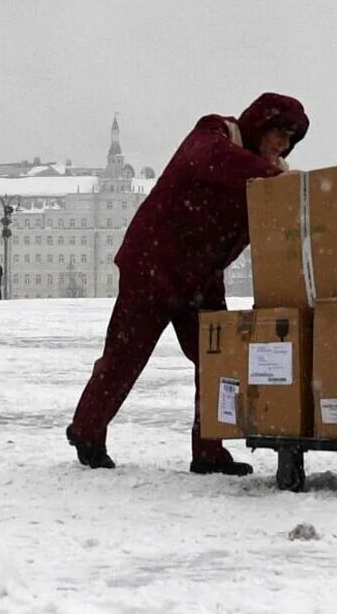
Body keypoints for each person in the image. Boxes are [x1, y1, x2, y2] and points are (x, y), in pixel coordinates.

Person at [67, 92, 309, 476]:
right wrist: (275, 177)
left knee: (217, 362)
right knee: (125, 355)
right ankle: (87, 430)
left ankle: (209, 450)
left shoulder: (263, 176)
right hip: (154, 265)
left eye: (290, 139)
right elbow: (209, 159)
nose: (283, 144)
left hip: (201, 277)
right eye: (279, 133)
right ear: (260, 126)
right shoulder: (215, 132)